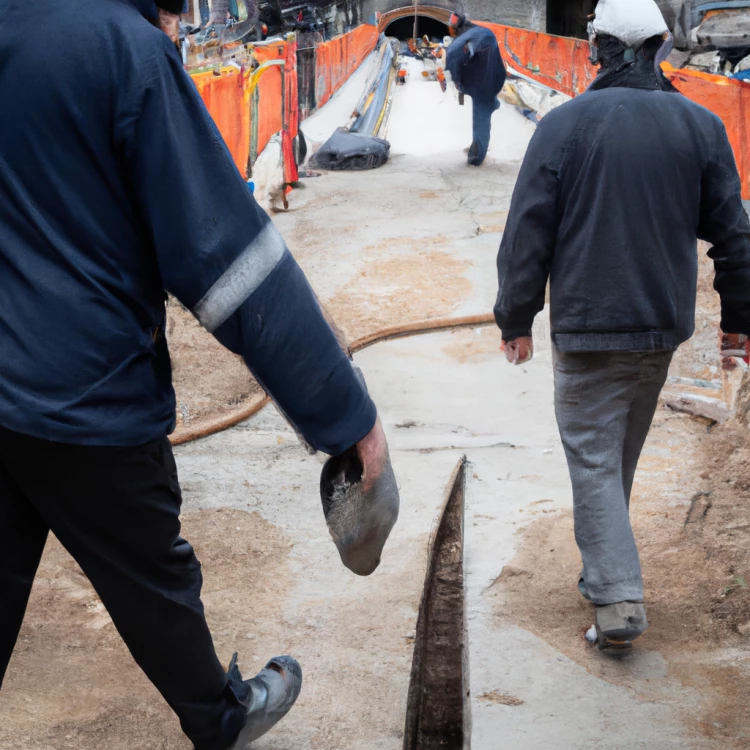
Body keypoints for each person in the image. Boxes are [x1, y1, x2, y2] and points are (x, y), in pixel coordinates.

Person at [0, 1, 397, 748]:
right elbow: (230, 265)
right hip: (84, 393)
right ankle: (222, 718)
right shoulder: (121, 51)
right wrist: (348, 419)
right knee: (153, 576)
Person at [494, 0, 750, 649]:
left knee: (592, 455)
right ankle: (604, 568)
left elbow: (528, 231)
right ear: (664, 45)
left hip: (588, 330)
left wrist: (515, 315)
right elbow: (734, 236)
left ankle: (616, 599)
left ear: (593, 48)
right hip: (659, 329)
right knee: (614, 454)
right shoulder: (701, 126)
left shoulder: (564, 127)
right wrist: (738, 323)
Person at [445, 13, 507, 166]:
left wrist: (458, 83)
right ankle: (492, 103)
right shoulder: (483, 32)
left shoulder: (457, 46)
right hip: (495, 76)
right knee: (483, 109)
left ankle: (476, 157)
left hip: (481, 83)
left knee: (481, 116)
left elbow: (455, 66)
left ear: (454, 29)